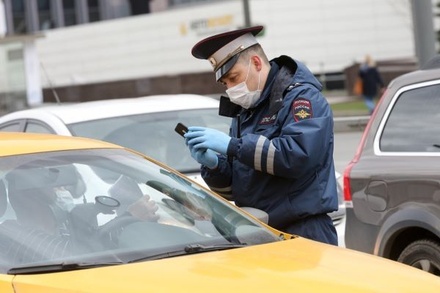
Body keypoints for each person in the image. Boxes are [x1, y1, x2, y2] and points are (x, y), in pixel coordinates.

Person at [184, 26, 338, 245]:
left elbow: (297, 156)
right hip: (258, 232)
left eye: (234, 78)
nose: (230, 89)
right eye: (225, 83)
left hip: (303, 231)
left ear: (256, 63)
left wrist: (233, 146)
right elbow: (234, 190)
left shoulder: (301, 98)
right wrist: (214, 165)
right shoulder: (246, 110)